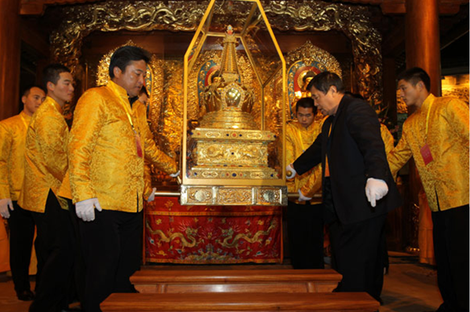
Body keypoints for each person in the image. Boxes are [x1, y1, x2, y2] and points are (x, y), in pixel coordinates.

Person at [68, 45, 178, 312]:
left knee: (127, 272)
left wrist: (176, 170)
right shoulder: (97, 98)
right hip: (101, 201)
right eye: (137, 74)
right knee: (101, 271)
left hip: (132, 202)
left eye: (144, 76)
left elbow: (146, 148)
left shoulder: (136, 109)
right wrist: (82, 193)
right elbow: (79, 146)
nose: (142, 81)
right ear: (117, 71)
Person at [287, 71, 401, 302]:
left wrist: (377, 176)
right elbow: (318, 149)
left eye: (318, 97)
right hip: (343, 201)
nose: (316, 104)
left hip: (364, 198)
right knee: (345, 252)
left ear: (332, 90)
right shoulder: (330, 122)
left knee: (361, 255)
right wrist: (296, 167)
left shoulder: (356, 109)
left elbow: (372, 143)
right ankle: (352, 293)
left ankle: (358, 298)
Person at [388, 67, 469, 312]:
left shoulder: (449, 106)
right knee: (444, 259)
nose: (400, 94)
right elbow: (397, 157)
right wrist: (371, 176)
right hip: (435, 200)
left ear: (420, 86)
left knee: (462, 257)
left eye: (404, 88)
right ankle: (452, 303)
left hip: (462, 194)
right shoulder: (411, 123)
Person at [18, 64, 76, 312]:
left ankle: (56, 302)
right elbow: (55, 160)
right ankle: (44, 306)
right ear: (50, 86)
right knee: (59, 250)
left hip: (48, 190)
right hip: (49, 191)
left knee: (51, 250)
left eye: (73, 84)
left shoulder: (52, 113)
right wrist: (79, 182)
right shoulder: (50, 116)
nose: (71, 88)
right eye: (66, 83)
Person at [0, 85, 45, 301]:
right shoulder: (8, 126)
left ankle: (45, 285)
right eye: (36, 97)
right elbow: (0, 161)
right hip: (18, 195)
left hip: (44, 195)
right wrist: (3, 194)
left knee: (46, 242)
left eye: (43, 99)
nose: (39, 102)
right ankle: (21, 286)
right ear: (24, 99)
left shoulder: (46, 126)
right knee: (21, 244)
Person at [285, 97, 324, 269]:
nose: (304, 119)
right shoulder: (289, 130)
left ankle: (316, 269)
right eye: (300, 115)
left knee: (315, 233)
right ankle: (298, 268)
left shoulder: (322, 129)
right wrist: (294, 188)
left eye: (308, 115)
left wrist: (311, 187)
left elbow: (323, 160)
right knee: (297, 233)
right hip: (295, 192)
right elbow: (288, 158)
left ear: (315, 114)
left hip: (319, 191)